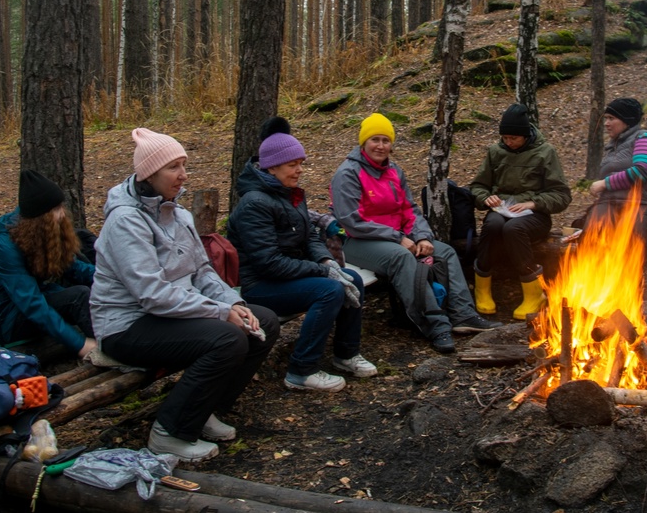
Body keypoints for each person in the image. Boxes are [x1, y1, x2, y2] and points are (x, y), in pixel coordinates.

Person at [90, 128, 281, 463]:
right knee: (227, 338)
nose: (183, 175)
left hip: (170, 317)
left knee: (263, 321)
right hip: (127, 326)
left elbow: (203, 272)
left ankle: (203, 408)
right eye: (173, 167)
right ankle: (170, 433)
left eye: (183, 164)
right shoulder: (125, 220)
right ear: (149, 173)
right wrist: (221, 314)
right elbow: (151, 295)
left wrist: (233, 303)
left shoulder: (179, 214)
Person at [330, 113, 501, 355]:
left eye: (385, 140)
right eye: (374, 140)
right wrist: (398, 238)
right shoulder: (347, 173)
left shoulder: (394, 171)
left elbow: (409, 209)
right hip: (355, 241)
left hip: (397, 238)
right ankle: (435, 325)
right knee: (401, 257)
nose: (380, 146)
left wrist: (422, 236)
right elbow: (351, 221)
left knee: (446, 252)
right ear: (363, 143)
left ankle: (464, 315)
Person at [228, 131, 374, 392]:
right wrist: (322, 272)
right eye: (292, 165)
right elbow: (268, 263)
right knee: (330, 290)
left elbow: (309, 237)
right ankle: (301, 370)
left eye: (300, 164)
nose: (299, 171)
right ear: (272, 167)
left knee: (351, 279)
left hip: (288, 276)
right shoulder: (254, 204)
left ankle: (346, 354)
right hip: (261, 286)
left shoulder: (291, 193)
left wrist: (327, 262)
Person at [468, 103, 572, 320]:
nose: (509, 142)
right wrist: (486, 198)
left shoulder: (545, 152)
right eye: (505, 138)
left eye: (513, 138)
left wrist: (533, 203)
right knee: (493, 225)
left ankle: (534, 292)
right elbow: (477, 186)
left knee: (514, 228)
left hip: (536, 215)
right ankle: (482, 289)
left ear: (526, 135)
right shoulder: (496, 152)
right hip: (501, 210)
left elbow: (561, 195)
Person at [0, 171, 97, 359]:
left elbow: (76, 269)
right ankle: (110, 347)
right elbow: (31, 303)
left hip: (35, 300)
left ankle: (117, 337)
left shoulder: (42, 234)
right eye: (56, 210)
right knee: (78, 297)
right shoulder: (4, 248)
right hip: (6, 318)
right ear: (41, 217)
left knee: (83, 291)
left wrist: (113, 279)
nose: (62, 215)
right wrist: (79, 344)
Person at [587, 98, 647, 245]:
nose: (606, 124)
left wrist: (604, 184)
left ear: (627, 120)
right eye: (606, 119)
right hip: (610, 206)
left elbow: (641, 172)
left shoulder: (646, 139)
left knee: (627, 236)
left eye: (611, 118)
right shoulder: (613, 148)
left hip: (645, 206)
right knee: (591, 237)